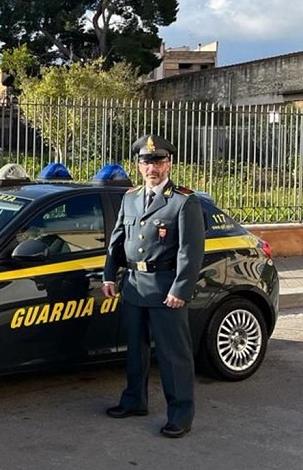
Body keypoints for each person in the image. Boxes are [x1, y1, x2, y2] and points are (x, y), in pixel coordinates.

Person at [102, 134, 205, 438]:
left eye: (158, 161)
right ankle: (134, 400)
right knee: (135, 350)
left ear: (168, 164)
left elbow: (191, 251)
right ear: (138, 165)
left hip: (165, 290)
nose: (152, 168)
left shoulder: (183, 201)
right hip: (134, 286)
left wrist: (180, 289)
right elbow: (117, 240)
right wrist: (109, 275)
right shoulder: (130, 197)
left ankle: (181, 414)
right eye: (147, 162)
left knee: (174, 356)